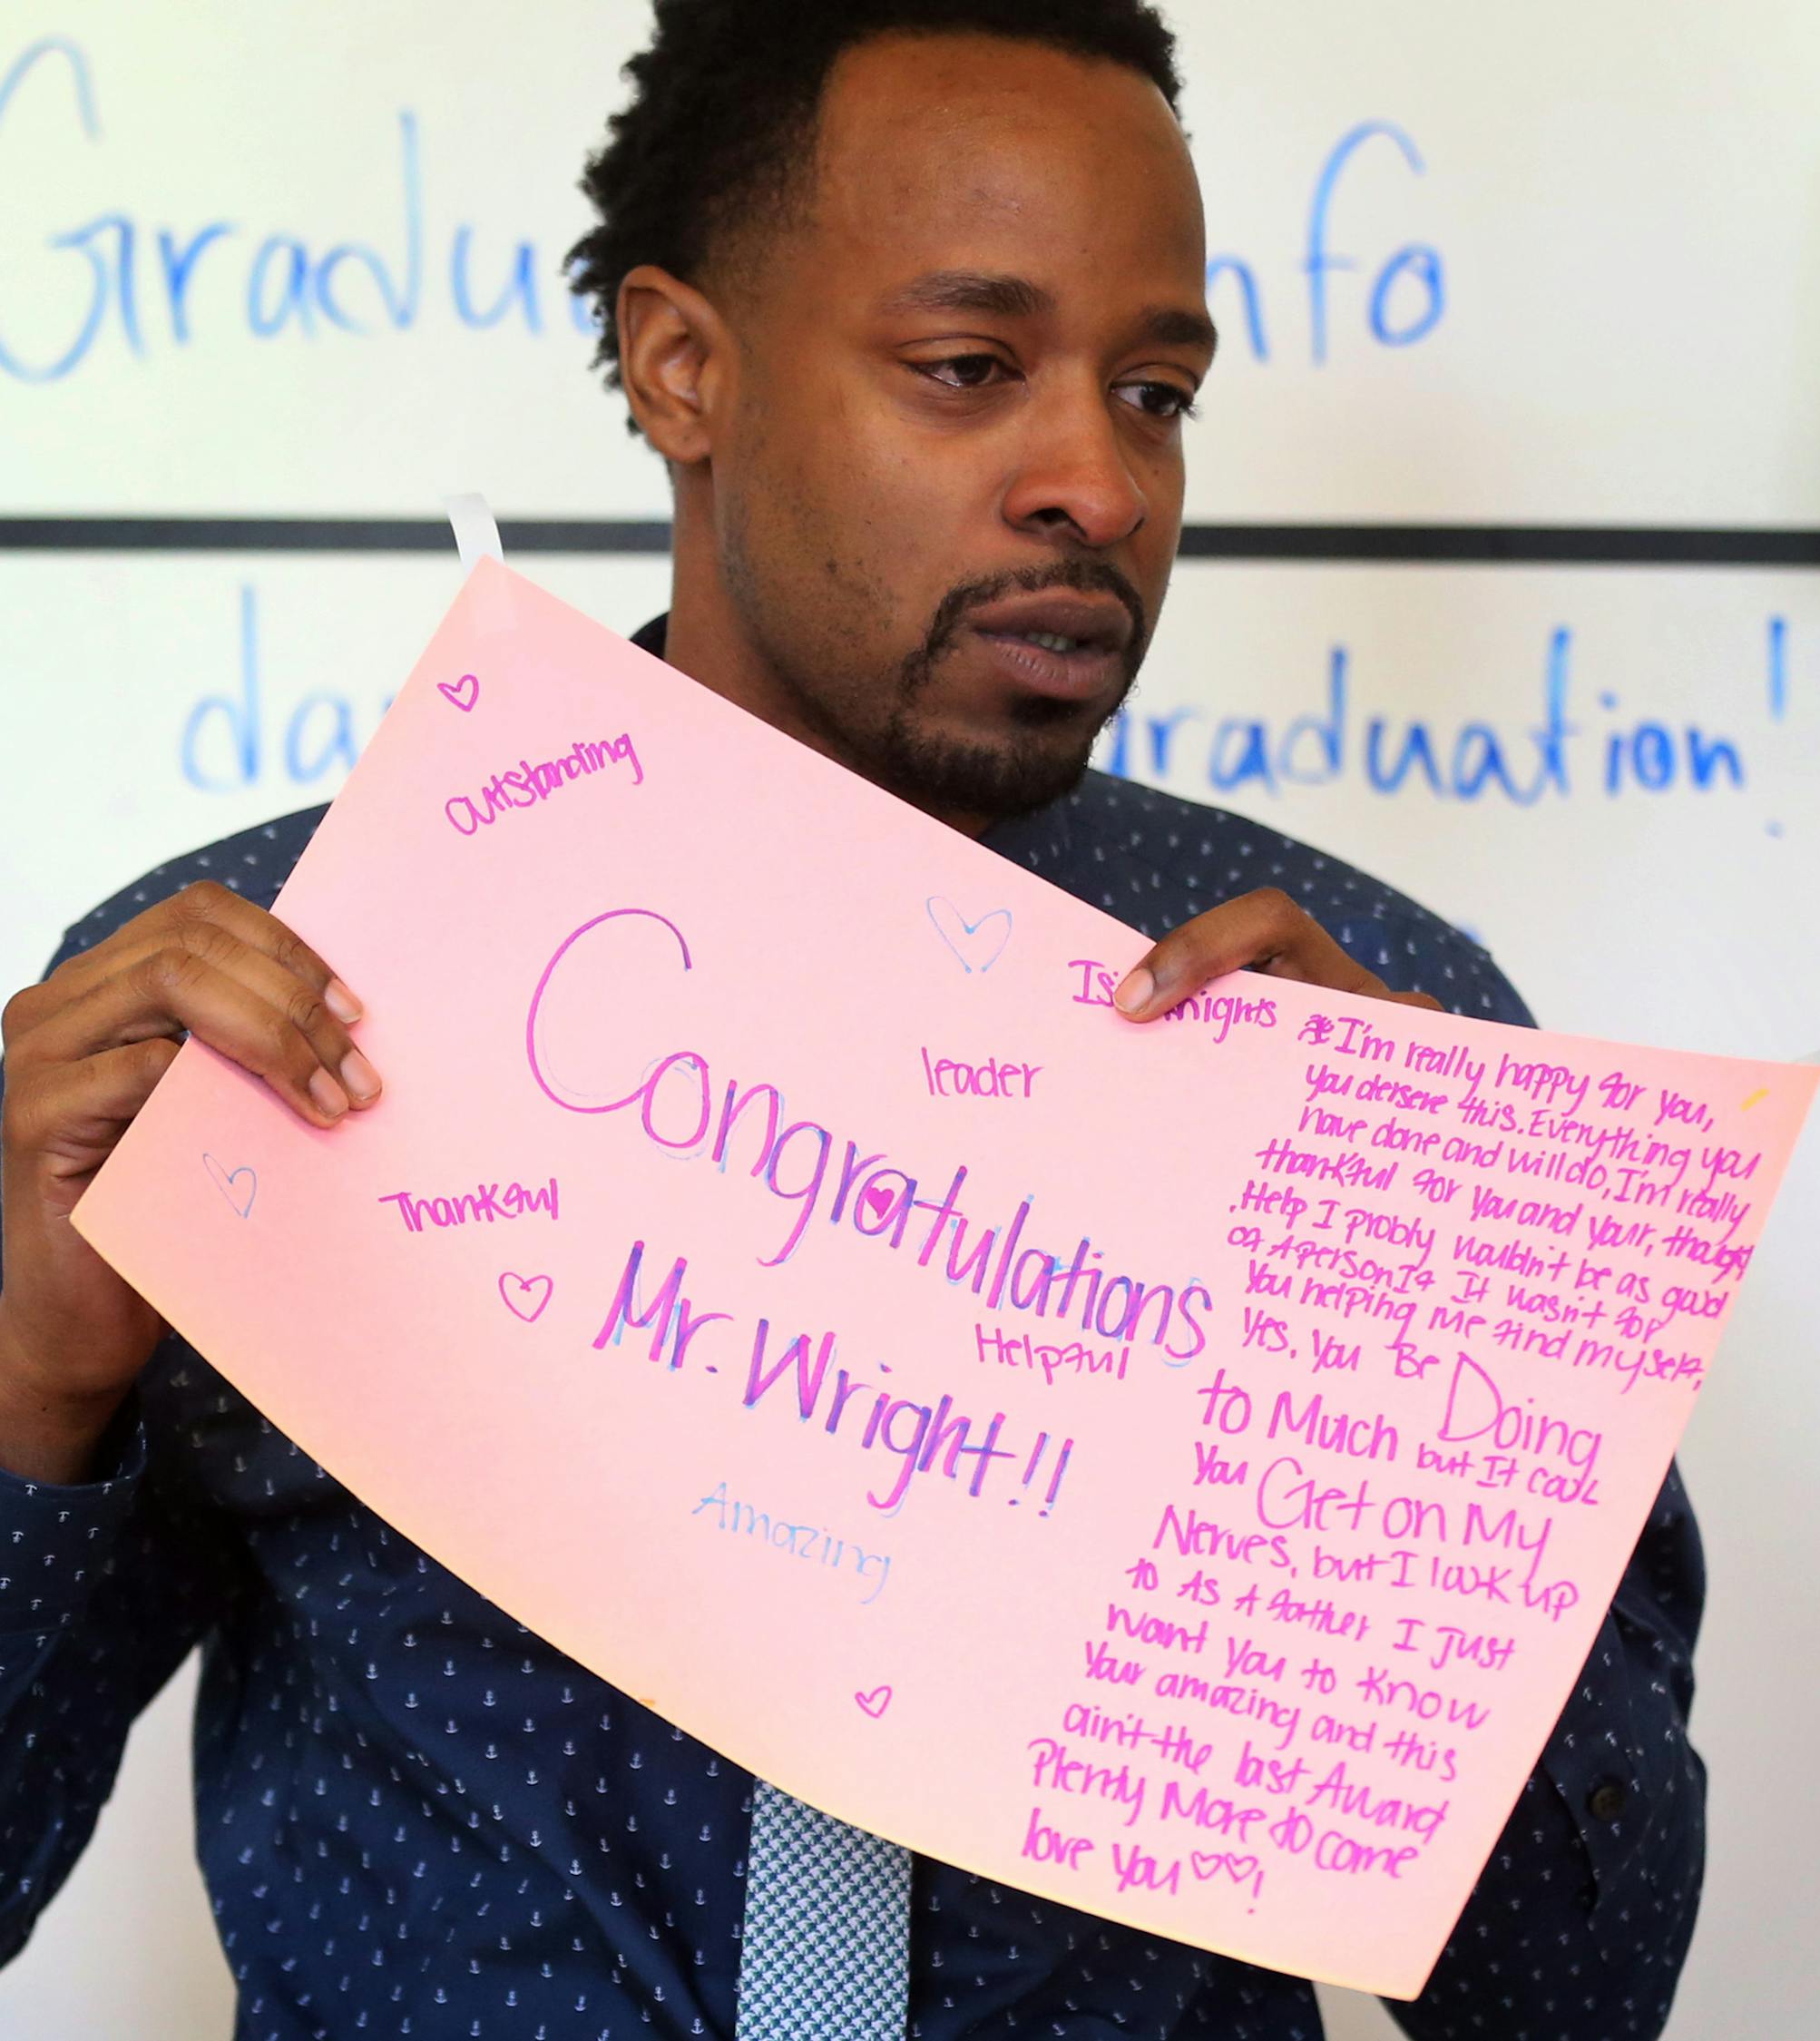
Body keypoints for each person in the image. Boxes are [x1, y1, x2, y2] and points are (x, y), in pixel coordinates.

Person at [0, 3, 1706, 2035]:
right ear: (683, 366)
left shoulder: (1374, 1050)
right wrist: (29, 1381)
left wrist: (1428, 1407)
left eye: (1155, 393)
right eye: (970, 367)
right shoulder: (249, 1008)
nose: (1101, 483)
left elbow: (1572, 1995)